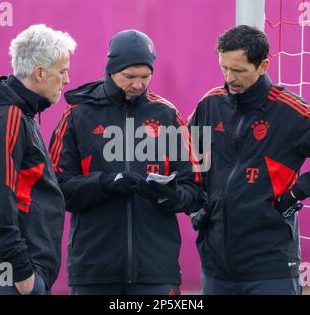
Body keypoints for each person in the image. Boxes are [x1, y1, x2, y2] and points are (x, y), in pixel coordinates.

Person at [188, 25, 310, 295]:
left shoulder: (290, 110)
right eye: (224, 67)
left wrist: (297, 192)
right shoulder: (210, 104)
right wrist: (197, 206)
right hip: (215, 267)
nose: (229, 78)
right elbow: (187, 159)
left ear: (263, 66)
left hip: (270, 267)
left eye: (239, 70)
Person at [49, 29, 200, 295]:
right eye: (129, 77)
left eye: (145, 77)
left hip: (156, 272)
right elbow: (56, 189)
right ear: (110, 71)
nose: (138, 85)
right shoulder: (77, 115)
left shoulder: (168, 115)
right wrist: (106, 183)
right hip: (93, 271)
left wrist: (171, 196)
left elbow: (195, 188)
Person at [0, 24, 76, 295]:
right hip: (13, 280)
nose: (67, 80)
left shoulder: (15, 114)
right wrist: (23, 273)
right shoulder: (8, 117)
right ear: (40, 73)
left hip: (14, 278)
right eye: (62, 71)